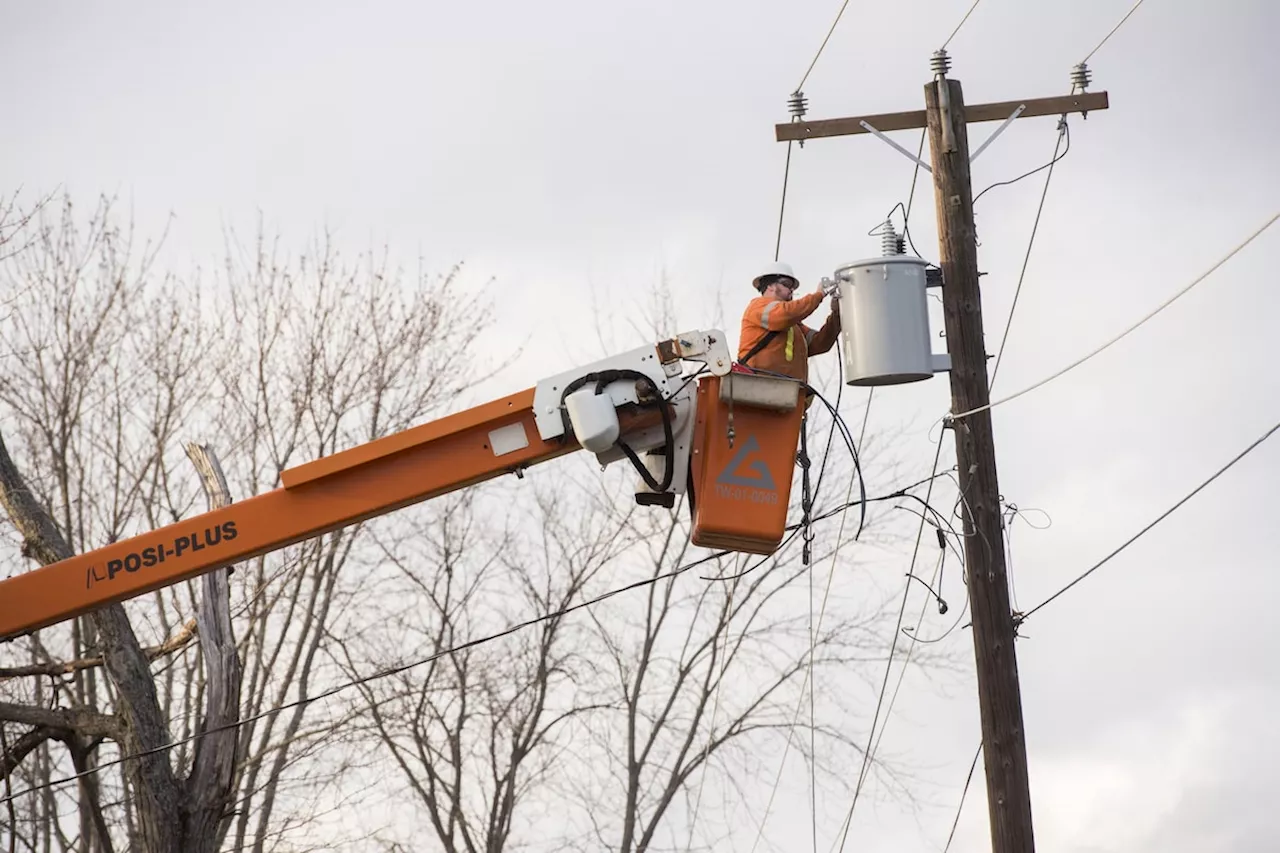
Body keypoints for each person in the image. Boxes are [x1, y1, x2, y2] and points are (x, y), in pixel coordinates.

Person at [737, 261, 841, 384]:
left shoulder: (794, 326)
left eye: (793, 287)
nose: (791, 290)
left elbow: (821, 343)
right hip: (758, 388)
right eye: (786, 284)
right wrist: (819, 295)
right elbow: (785, 314)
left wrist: (837, 314)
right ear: (770, 286)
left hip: (788, 395)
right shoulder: (758, 307)